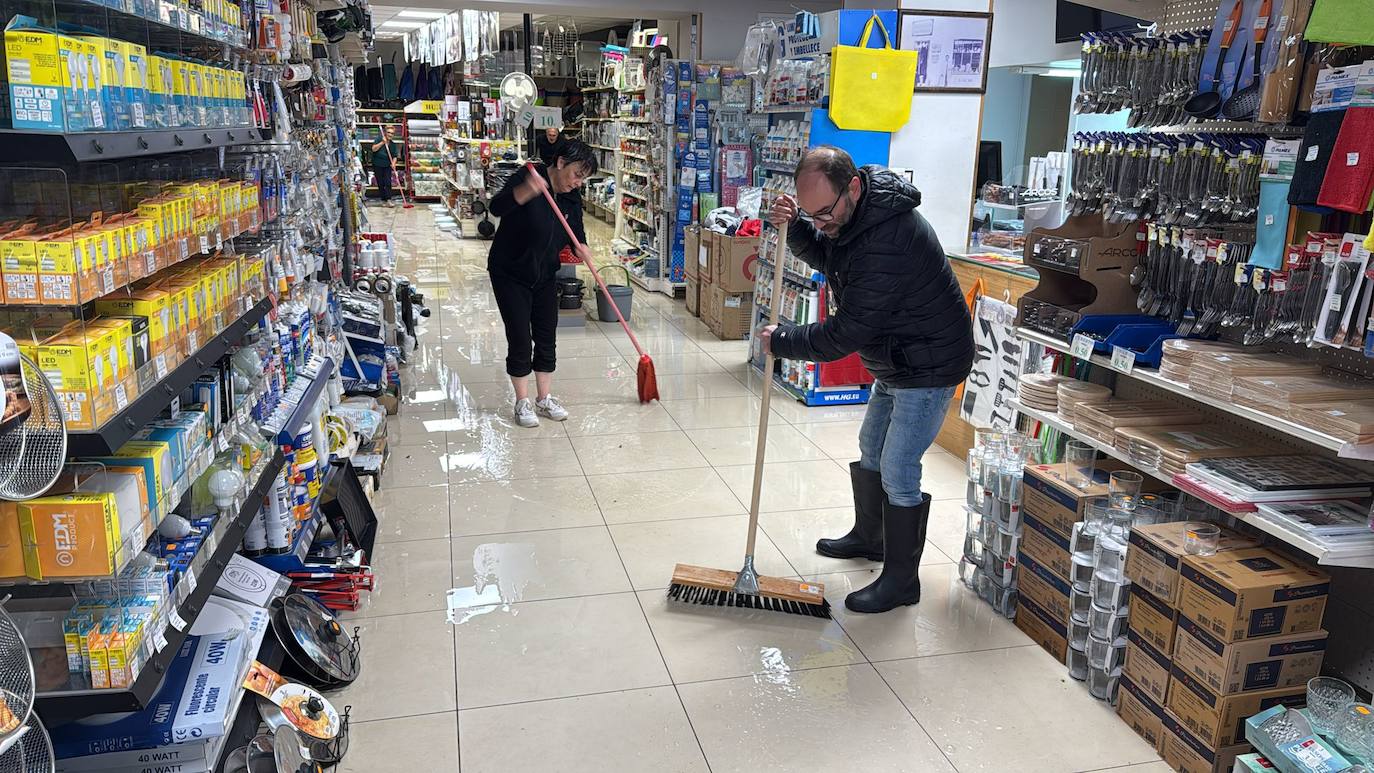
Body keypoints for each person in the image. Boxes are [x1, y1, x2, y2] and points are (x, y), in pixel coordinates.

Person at [761, 146, 974, 614]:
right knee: (872, 446)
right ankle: (871, 537)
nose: (820, 223)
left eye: (823, 213)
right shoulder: (854, 217)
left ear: (853, 186)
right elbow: (828, 257)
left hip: (928, 363)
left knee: (899, 466)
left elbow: (849, 331)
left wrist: (786, 341)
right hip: (898, 356)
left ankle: (902, 582)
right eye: (810, 213)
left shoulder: (889, 237)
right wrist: (796, 226)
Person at [487, 141, 598, 427]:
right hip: (510, 272)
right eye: (576, 174)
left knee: (547, 335)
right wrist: (526, 192)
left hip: (546, 273)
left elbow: (576, 231)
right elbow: (497, 206)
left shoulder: (571, 196)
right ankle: (522, 401)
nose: (578, 182)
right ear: (560, 163)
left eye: (583, 178)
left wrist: (581, 247)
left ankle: (543, 399)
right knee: (521, 337)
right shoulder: (530, 175)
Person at [371, 126, 403, 206]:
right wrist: (382, 142)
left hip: (387, 165)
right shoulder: (379, 139)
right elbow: (373, 149)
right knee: (380, 183)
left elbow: (395, 155)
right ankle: (383, 200)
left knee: (388, 182)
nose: (390, 134)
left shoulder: (393, 144)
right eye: (388, 132)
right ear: (385, 133)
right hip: (377, 164)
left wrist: (393, 163)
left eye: (392, 133)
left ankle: (389, 199)